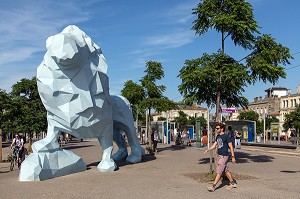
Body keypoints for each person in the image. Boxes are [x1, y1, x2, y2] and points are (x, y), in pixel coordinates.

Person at [204, 123, 237, 192]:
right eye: (216, 128)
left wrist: (233, 156)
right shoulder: (218, 136)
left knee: (219, 171)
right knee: (225, 170)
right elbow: (214, 145)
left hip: (224, 156)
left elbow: (231, 147)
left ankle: (213, 186)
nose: (216, 130)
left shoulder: (226, 136)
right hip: (220, 155)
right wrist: (208, 150)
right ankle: (232, 183)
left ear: (222, 129)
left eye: (217, 128)